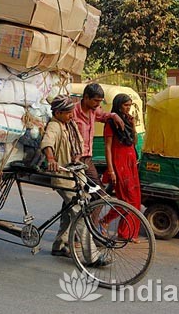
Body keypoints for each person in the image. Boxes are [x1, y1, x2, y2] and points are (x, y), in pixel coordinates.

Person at [41, 94, 109, 266]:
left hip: (75, 174)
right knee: (79, 212)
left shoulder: (69, 124)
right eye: (68, 113)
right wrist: (51, 159)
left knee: (68, 211)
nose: (72, 115)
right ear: (57, 112)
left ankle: (58, 245)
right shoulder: (55, 126)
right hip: (63, 176)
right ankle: (92, 256)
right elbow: (48, 142)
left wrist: (78, 158)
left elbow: (78, 143)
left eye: (72, 112)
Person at [99, 93, 141, 242]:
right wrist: (111, 170)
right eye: (125, 105)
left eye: (130, 105)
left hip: (130, 162)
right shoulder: (111, 122)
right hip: (119, 163)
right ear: (118, 105)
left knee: (135, 199)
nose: (128, 108)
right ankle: (105, 221)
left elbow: (133, 141)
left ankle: (127, 233)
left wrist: (133, 125)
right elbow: (108, 147)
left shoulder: (128, 120)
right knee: (125, 200)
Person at [73, 83, 124, 186]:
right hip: (73, 157)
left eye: (100, 101)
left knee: (97, 189)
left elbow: (104, 116)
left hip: (87, 157)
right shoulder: (72, 112)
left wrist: (114, 116)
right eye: (96, 101)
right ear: (86, 97)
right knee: (77, 189)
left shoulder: (94, 110)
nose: (98, 104)